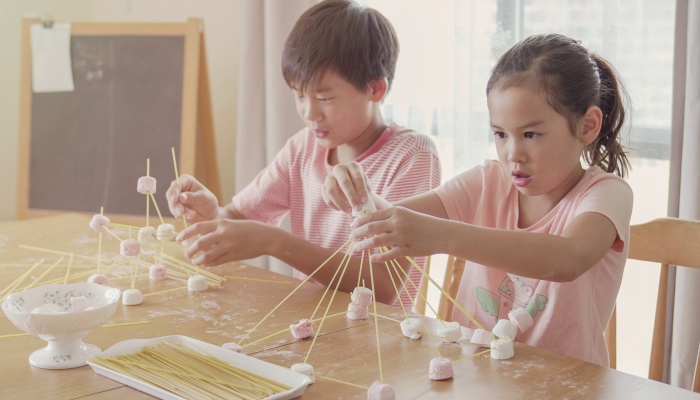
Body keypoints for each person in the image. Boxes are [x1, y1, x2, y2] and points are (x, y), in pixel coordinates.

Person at [322, 33, 633, 366]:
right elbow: (394, 218)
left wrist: (443, 236)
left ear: (587, 125)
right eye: (500, 134)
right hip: (472, 376)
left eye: (531, 134)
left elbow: (569, 258)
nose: (513, 154)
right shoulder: (487, 181)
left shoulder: (606, 194)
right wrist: (359, 195)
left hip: (567, 386)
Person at [167, 0, 441, 307]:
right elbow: (237, 220)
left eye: (324, 98)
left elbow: (385, 286)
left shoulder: (412, 156)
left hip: (380, 343)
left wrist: (273, 242)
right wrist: (210, 215)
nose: (309, 113)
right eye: (299, 95)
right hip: (309, 329)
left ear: (375, 89)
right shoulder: (303, 148)